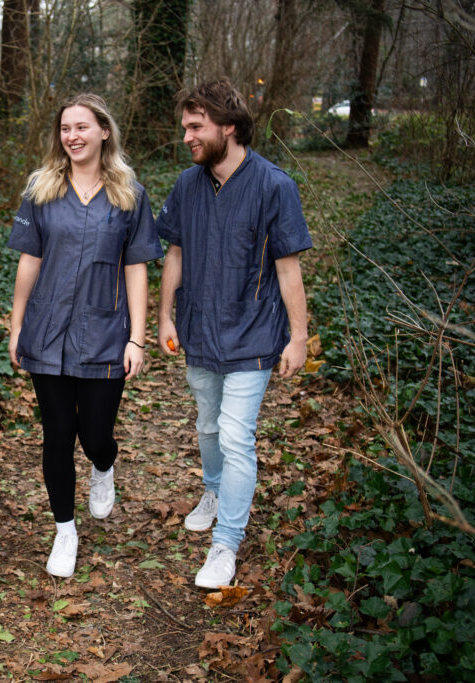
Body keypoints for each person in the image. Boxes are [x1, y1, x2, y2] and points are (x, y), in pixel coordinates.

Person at [156, 78, 312, 589]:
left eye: (196, 127)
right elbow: (173, 253)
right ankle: (215, 490)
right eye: (185, 127)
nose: (187, 137)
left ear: (229, 126)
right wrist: (165, 316)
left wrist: (298, 336)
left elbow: (288, 269)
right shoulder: (186, 185)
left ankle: (226, 544)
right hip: (199, 330)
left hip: (253, 334)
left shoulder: (274, 186)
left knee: (235, 435)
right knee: (207, 427)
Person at [8, 94, 163, 578]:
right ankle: (65, 531)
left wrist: (137, 338)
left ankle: (103, 466)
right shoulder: (41, 191)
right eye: (64, 129)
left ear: (103, 132)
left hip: (103, 334)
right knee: (57, 435)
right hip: (47, 331)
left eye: (81, 127)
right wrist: (16, 326)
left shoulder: (129, 194)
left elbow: (136, 268)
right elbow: (28, 261)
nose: (72, 136)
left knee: (95, 435)